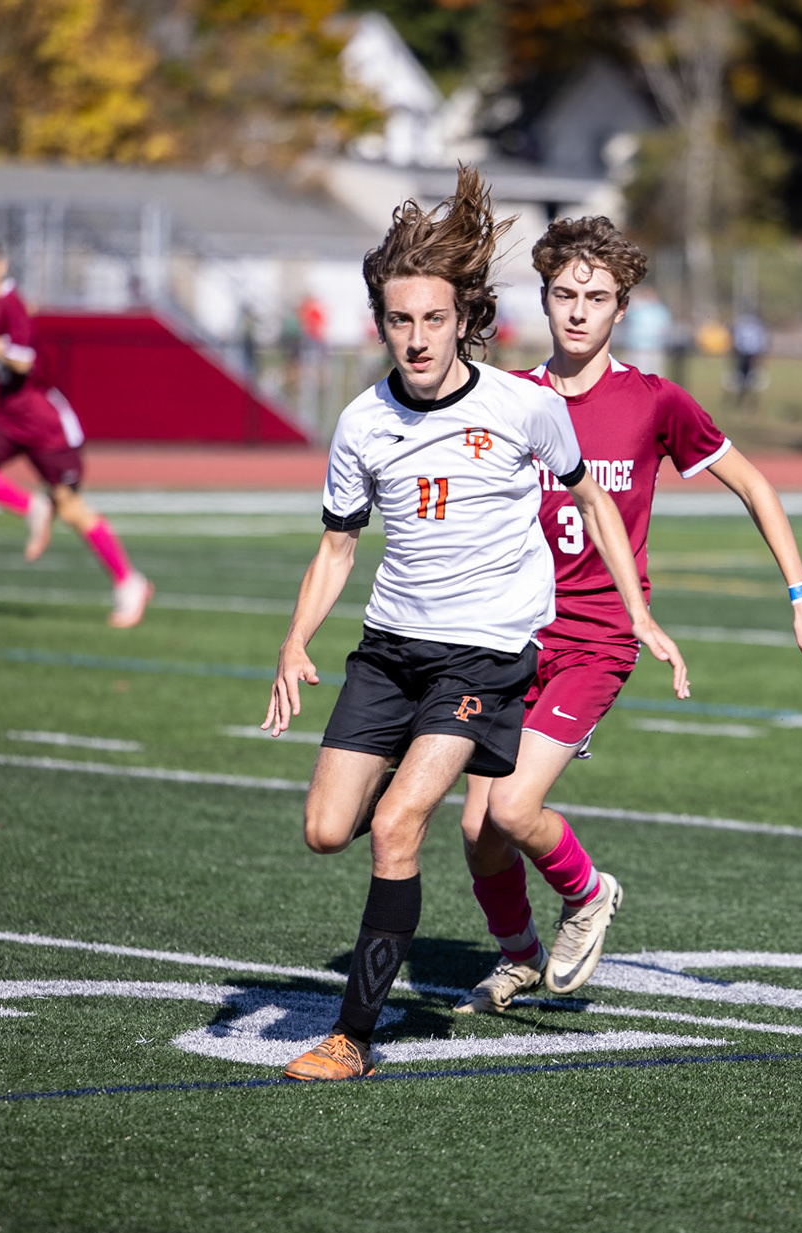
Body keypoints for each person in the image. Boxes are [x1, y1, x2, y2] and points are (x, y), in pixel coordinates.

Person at [261, 170, 688, 1082]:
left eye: (432, 319)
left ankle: (353, 1038)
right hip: (388, 651)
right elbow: (337, 547)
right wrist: (296, 641)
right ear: (381, 320)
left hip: (486, 657)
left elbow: (593, 500)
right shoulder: (360, 423)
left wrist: (639, 609)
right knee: (328, 829)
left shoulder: (522, 406)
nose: (415, 338)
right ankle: (479, 907)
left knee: (401, 825)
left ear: (465, 320)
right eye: (399, 320)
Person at [450, 216, 802, 1015]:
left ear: (622, 308)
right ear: (546, 299)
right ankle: (519, 957)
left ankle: (589, 894)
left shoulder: (655, 401)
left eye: (595, 297)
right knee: (478, 830)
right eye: (564, 294)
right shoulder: (513, 398)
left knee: (516, 807)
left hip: (598, 640)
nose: (578, 311)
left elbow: (757, 486)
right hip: (513, 637)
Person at [0, 237, 151, 628]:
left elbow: (21, 361)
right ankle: (33, 508)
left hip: (46, 424)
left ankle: (130, 582)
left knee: (71, 509)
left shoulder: (9, 304)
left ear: (0, 267)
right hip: (11, 417)